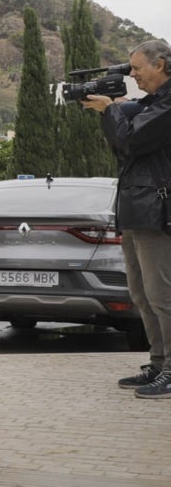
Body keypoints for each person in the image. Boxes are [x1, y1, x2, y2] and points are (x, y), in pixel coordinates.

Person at [82, 39, 171, 399]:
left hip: (157, 210)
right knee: (141, 292)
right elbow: (125, 132)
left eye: (137, 68)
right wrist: (110, 106)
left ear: (161, 64)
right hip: (137, 207)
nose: (133, 75)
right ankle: (159, 362)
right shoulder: (152, 104)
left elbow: (130, 140)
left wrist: (109, 111)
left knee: (162, 293)